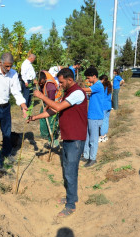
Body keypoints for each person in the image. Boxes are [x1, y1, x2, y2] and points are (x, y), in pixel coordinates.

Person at [28, 68, 87, 217]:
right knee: (68, 168)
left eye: (61, 82)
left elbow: (58, 107)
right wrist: (36, 117)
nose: (59, 85)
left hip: (76, 139)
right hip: (68, 137)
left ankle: (71, 205)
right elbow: (54, 110)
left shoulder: (77, 93)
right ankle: (71, 197)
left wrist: (42, 96)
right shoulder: (68, 92)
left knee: (70, 171)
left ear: (69, 80)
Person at [81, 67, 104, 167]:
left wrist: (75, 88)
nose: (88, 80)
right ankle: (86, 155)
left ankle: (92, 158)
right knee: (87, 137)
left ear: (94, 76)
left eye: (88, 78)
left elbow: (86, 90)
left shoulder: (98, 85)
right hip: (91, 115)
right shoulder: (95, 85)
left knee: (93, 139)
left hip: (96, 117)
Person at [38, 71, 62, 148]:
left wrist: (46, 108)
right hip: (47, 102)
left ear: (44, 79)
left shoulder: (50, 87)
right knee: (41, 115)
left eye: (41, 83)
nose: (40, 84)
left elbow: (51, 101)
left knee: (52, 123)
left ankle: (53, 140)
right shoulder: (42, 78)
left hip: (54, 104)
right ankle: (45, 134)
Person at [99, 75, 112, 143]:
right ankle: (105, 135)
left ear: (102, 80)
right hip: (108, 105)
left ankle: (102, 136)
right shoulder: (109, 85)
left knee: (103, 121)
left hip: (103, 106)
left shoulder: (102, 87)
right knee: (106, 121)